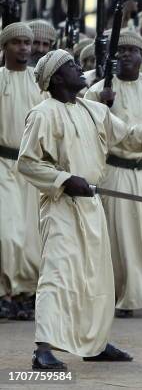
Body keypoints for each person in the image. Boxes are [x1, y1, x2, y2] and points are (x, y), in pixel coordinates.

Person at [18, 49, 142, 370]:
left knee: (97, 276)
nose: (81, 70)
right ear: (57, 78)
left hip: (92, 205)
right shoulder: (42, 113)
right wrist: (63, 179)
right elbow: (28, 162)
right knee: (59, 273)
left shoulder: (94, 111)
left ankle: (95, 343)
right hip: (61, 204)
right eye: (73, 66)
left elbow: (130, 138)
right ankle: (43, 347)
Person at [85, 30, 142, 319]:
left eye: (131, 50)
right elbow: (93, 134)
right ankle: (125, 295)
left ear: (141, 55)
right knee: (122, 237)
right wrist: (102, 104)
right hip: (118, 170)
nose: (125, 55)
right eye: (119, 51)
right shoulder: (97, 91)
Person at [0, 23, 46, 321]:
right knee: (7, 233)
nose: (24, 48)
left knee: (32, 236)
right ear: (4, 46)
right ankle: (4, 292)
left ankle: (26, 294)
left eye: (27, 43)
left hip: (34, 167)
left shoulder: (41, 83)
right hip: (2, 164)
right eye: (16, 42)